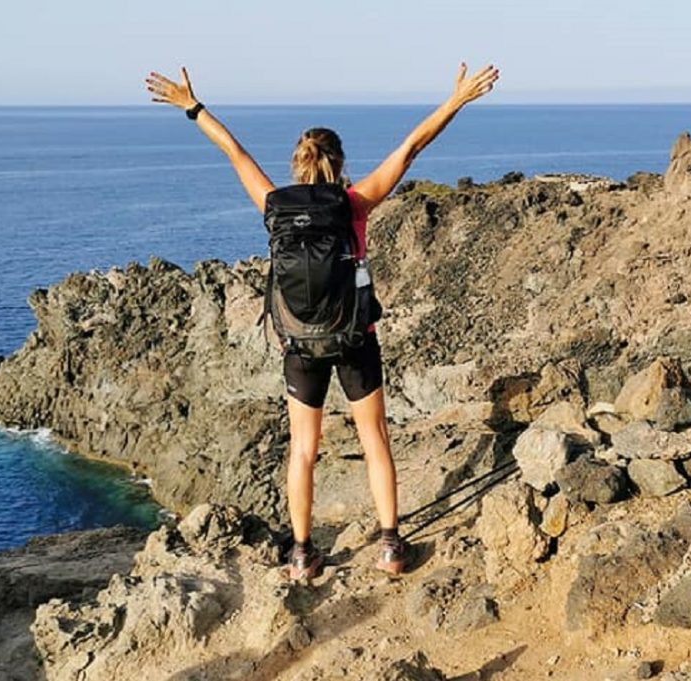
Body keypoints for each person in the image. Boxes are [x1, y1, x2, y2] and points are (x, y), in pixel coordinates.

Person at [145, 63, 500, 579]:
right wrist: (456, 100)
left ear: (297, 165)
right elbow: (412, 148)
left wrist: (192, 106)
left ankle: (303, 554)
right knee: (374, 439)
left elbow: (235, 152)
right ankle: (390, 548)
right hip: (356, 337)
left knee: (304, 451)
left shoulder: (273, 205)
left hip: (300, 345)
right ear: (339, 164)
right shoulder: (355, 204)